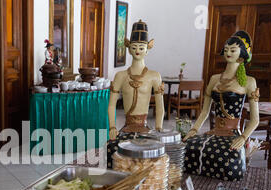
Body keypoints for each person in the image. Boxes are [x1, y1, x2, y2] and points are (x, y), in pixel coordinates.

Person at [183, 31, 260, 181]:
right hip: (214, 131)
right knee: (189, 148)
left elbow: (255, 120)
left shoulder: (249, 82)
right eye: (226, 50)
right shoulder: (214, 79)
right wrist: (194, 129)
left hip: (234, 133)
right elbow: (205, 111)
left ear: (242, 53)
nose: (228, 53)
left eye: (233, 50)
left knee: (230, 157)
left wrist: (243, 138)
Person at [107, 20, 165, 169]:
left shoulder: (154, 76)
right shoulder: (120, 76)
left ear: (148, 49)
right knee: (112, 151)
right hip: (126, 128)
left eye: (141, 47)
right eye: (134, 47)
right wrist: (112, 127)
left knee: (152, 158)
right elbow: (112, 104)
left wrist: (158, 128)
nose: (137, 50)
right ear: (128, 49)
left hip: (145, 129)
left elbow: (160, 107)